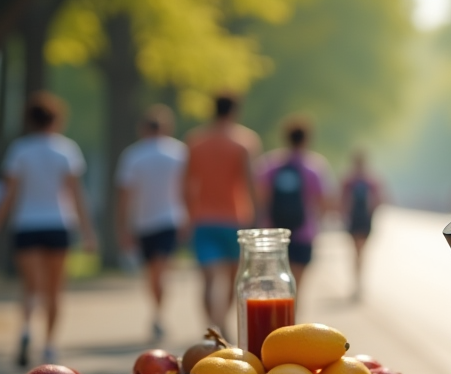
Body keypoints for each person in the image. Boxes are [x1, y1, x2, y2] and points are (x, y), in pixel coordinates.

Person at [0, 92, 96, 367]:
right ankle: (50, 347)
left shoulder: (20, 150)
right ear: (56, 119)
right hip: (58, 224)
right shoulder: (66, 149)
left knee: (30, 287)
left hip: (26, 225)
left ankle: (25, 331)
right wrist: (88, 231)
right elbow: (75, 193)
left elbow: (8, 194)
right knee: (55, 290)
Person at [184, 94, 261, 332]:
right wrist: (257, 215)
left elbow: (186, 183)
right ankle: (222, 322)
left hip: (203, 218)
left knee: (207, 279)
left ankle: (211, 324)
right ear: (235, 111)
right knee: (233, 278)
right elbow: (250, 183)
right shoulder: (245, 142)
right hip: (235, 218)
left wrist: (189, 215)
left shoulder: (195, 141)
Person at [115, 105, 188, 342]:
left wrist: (124, 227)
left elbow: (125, 194)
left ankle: (157, 314)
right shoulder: (180, 153)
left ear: (143, 129)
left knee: (153, 271)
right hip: (171, 218)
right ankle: (158, 312)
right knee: (159, 270)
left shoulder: (133, 155)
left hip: (144, 221)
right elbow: (189, 189)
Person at [257, 115, 332, 293]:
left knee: (275, 287)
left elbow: (260, 198)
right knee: (296, 287)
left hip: (274, 234)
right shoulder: (314, 167)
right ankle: (293, 318)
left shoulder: (270, 164)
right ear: (307, 138)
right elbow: (324, 203)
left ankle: (279, 320)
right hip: (303, 233)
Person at [341, 149, 384, 300]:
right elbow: (379, 200)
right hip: (365, 220)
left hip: (354, 220)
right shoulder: (371, 180)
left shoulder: (349, 180)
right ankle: (359, 283)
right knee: (361, 252)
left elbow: (343, 201)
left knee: (356, 252)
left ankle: (357, 283)